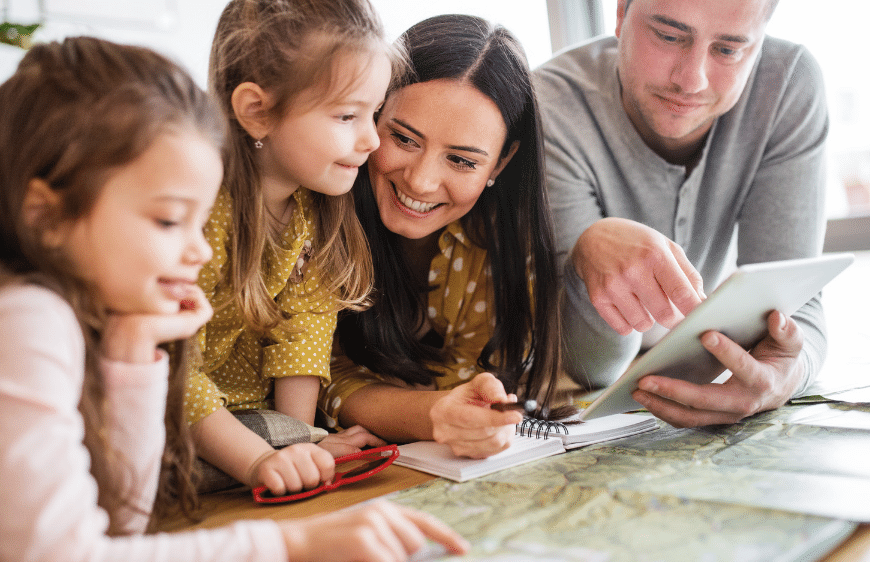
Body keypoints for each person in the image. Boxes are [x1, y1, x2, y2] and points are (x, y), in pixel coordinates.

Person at [0, 36, 468, 562]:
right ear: (46, 215)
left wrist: (136, 353)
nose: (199, 250)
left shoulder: (90, 323)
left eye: (200, 223)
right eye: (170, 220)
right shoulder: (26, 320)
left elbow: (123, 523)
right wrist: (290, 544)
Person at [534, 0, 828, 427]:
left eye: (728, 50)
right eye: (669, 36)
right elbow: (589, 366)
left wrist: (786, 372)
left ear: (759, 42)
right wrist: (587, 250)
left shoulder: (788, 83)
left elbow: (799, 304)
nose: (691, 80)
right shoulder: (547, 107)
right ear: (620, 14)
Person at [319, 14, 566, 459]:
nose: (421, 181)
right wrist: (436, 413)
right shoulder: (318, 213)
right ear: (372, 111)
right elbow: (322, 380)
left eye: (462, 161)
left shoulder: (505, 241)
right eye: (404, 138)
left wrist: (462, 412)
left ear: (502, 163)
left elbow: (471, 383)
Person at [185, 0, 401, 495]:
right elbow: (170, 371)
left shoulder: (315, 207)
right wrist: (263, 458)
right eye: (348, 115)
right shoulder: (199, 210)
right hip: (168, 403)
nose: (372, 140)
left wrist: (303, 444)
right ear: (258, 113)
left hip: (249, 418)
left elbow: (303, 335)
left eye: (375, 113)